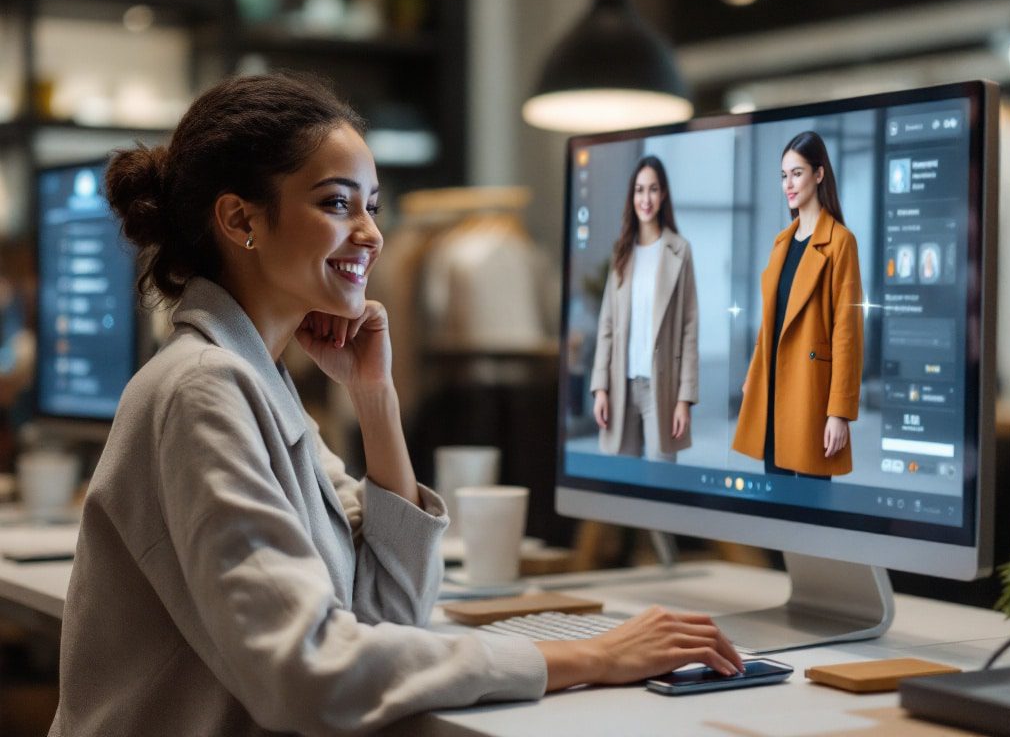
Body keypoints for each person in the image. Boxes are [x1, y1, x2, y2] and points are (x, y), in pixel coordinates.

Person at [49, 74, 742, 736]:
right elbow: (307, 672)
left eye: (372, 205)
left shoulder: (255, 383)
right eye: (336, 203)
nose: (372, 234)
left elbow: (389, 615)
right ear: (240, 219)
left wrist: (375, 400)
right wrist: (588, 657)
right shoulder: (203, 389)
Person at [732, 131, 863, 478]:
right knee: (775, 499)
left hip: (811, 393)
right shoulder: (781, 242)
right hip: (773, 386)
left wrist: (840, 412)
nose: (788, 184)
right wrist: (753, 376)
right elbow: (770, 320)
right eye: (783, 175)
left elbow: (847, 334)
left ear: (819, 174)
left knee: (811, 504)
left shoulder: (840, 243)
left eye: (797, 173)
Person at [591, 156, 699, 463]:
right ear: (632, 196)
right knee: (621, 483)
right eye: (639, 190)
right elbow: (607, 325)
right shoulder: (621, 252)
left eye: (653, 190)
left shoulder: (680, 250)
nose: (646, 199)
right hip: (619, 385)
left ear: (663, 194)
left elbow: (690, 329)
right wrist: (600, 388)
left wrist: (684, 399)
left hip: (661, 388)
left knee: (661, 480)